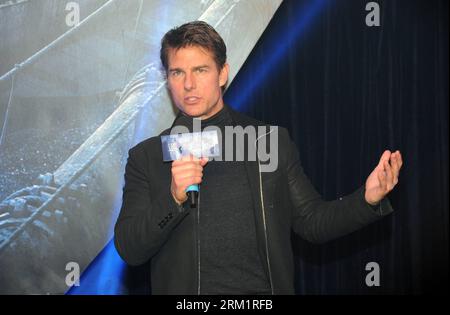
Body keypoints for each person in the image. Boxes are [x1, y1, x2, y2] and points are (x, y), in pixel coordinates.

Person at [114, 21, 403, 295]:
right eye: (178, 72)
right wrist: (173, 199)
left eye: (200, 70)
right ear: (168, 80)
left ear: (222, 73)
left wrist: (367, 199)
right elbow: (130, 248)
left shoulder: (268, 141)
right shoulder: (147, 157)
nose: (188, 84)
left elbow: (312, 221)